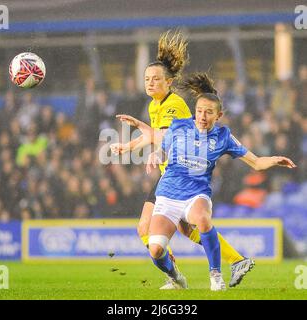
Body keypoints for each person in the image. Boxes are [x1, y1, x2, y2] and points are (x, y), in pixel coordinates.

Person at [116, 72, 296, 290]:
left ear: (218, 115)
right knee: (155, 249)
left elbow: (256, 162)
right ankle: (175, 276)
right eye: (200, 111)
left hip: (196, 194)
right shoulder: (180, 126)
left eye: (208, 112)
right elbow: (162, 149)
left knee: (202, 219)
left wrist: (275, 160)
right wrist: (155, 156)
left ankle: (216, 275)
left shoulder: (224, 136)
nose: (202, 116)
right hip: (168, 194)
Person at [111, 31, 255, 288]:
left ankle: (177, 275)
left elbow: (165, 135)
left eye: (156, 79)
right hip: (171, 176)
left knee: (147, 227)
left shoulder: (173, 104)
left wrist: (137, 146)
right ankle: (234, 261)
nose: (150, 83)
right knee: (185, 229)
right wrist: (131, 145)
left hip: (180, 176)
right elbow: (157, 135)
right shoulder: (155, 105)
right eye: (147, 79)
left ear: (169, 82)